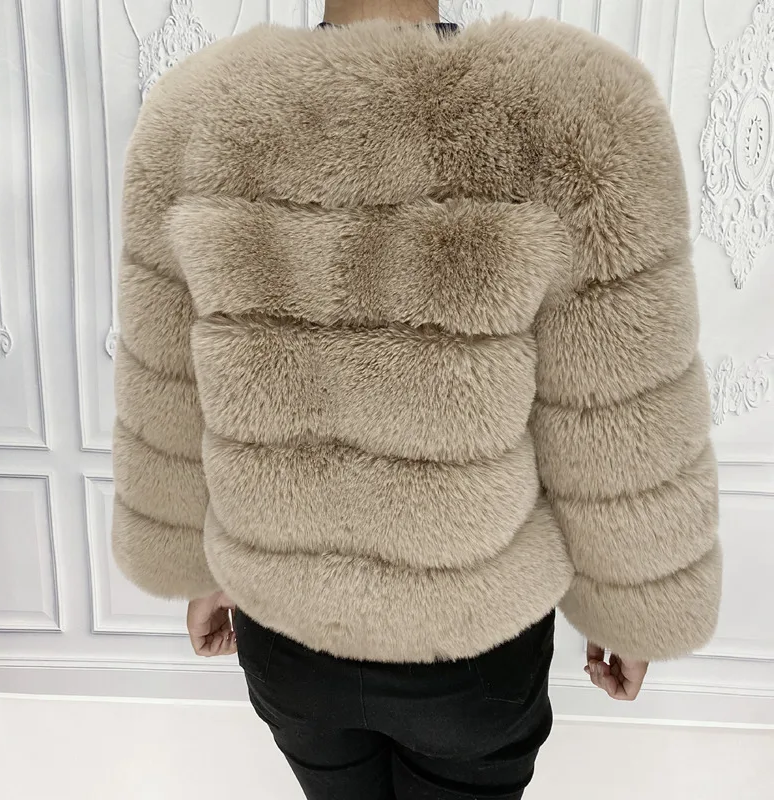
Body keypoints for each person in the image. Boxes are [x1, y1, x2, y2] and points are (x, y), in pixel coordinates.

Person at [110, 3, 722, 798]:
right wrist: (631, 609)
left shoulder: (195, 113)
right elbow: (617, 410)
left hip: (287, 640)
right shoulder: (577, 108)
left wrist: (197, 569)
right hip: (471, 654)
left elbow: (166, 385)